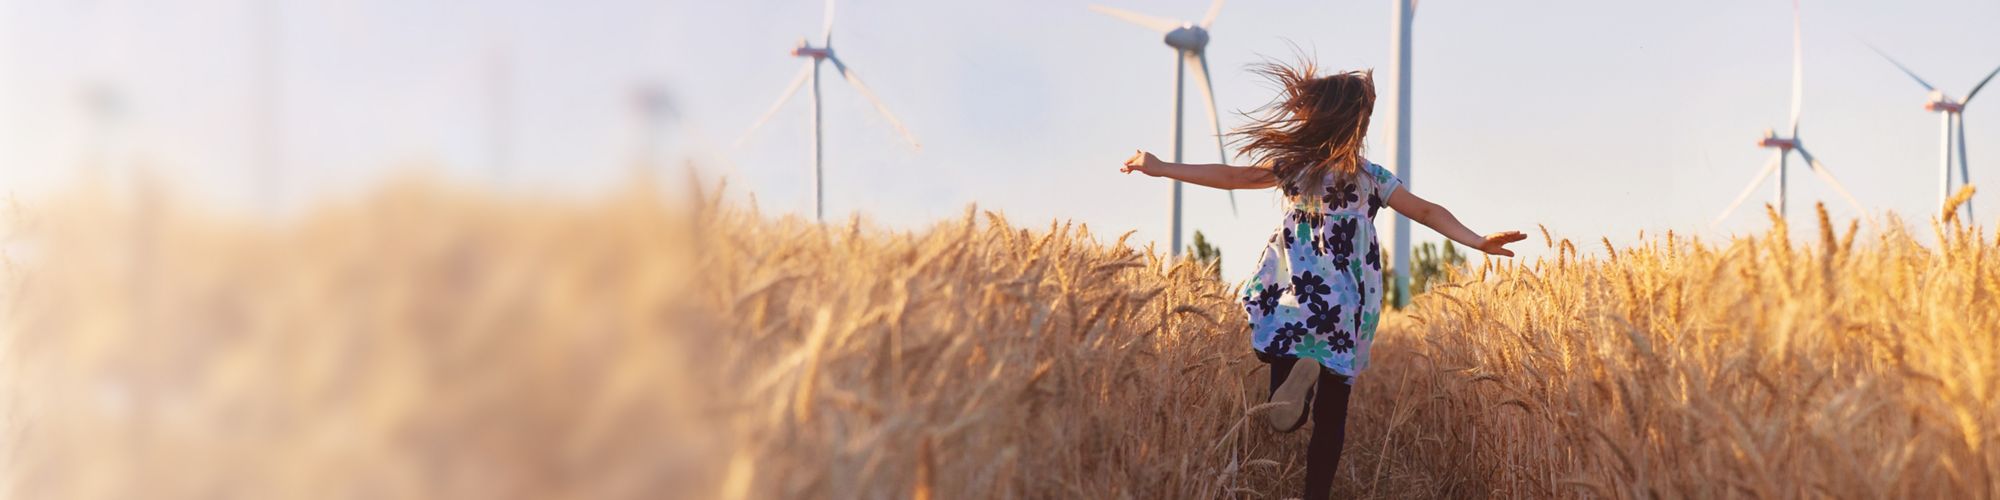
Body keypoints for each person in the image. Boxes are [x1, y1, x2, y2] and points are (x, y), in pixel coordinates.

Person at [1117, 59, 1524, 500]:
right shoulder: (1372, 177)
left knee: (1277, 361)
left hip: (1298, 288)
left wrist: (1162, 166)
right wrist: (1476, 239)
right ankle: (1315, 489)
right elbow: (1427, 211)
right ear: (1359, 124)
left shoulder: (1296, 168)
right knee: (1334, 415)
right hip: (1346, 300)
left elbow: (1233, 177)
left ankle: (1292, 388)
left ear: (1316, 116)